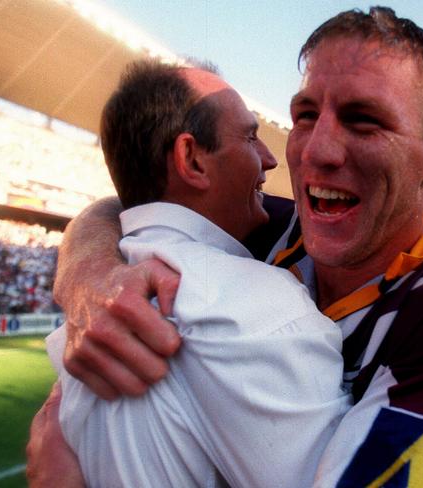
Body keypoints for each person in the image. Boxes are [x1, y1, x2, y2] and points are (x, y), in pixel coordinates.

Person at [28, 7, 423, 487]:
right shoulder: (273, 230)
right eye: (304, 115)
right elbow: (130, 205)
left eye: (363, 119)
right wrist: (88, 272)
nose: (312, 150)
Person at [43, 60, 350, 487]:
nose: (269, 159)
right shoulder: (260, 307)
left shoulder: (86, 319)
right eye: (249, 136)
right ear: (192, 160)